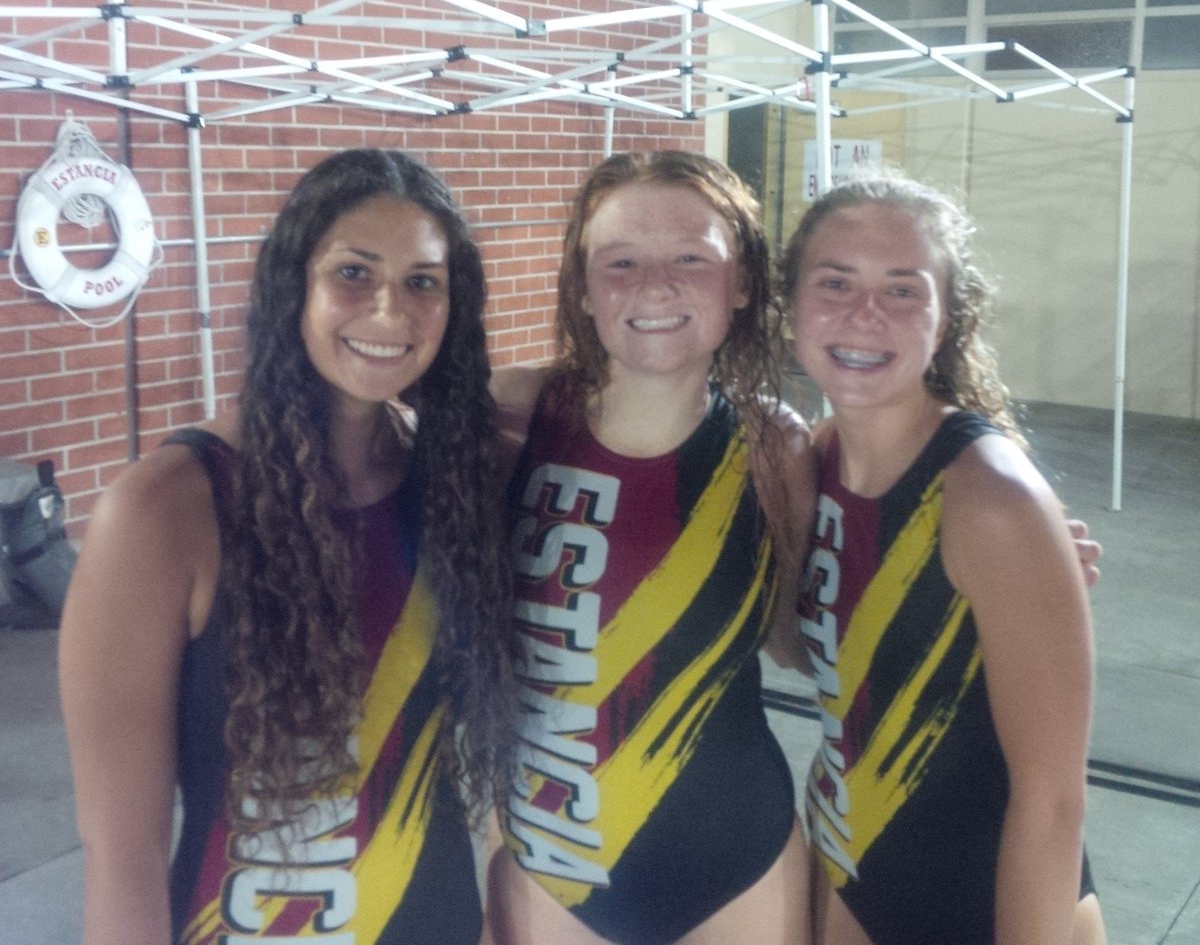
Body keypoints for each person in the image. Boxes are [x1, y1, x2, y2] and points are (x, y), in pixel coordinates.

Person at [59, 148, 516, 945]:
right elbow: (121, 859)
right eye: (353, 273)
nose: (388, 312)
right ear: (293, 287)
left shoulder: (450, 484)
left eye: (422, 282)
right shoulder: (165, 511)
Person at [485, 150, 815, 945]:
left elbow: (797, 642)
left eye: (691, 258)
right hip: (549, 861)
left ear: (740, 282)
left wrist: (975, 577)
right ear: (584, 288)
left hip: (740, 865)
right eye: (621, 261)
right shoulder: (511, 418)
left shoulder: (776, 446)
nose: (654, 284)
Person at [782, 171, 1106, 945]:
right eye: (836, 282)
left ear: (946, 318)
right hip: (845, 866)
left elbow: (1053, 803)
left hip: (987, 900)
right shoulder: (816, 457)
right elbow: (833, 657)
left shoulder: (990, 498)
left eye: (903, 290)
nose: (865, 314)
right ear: (789, 303)